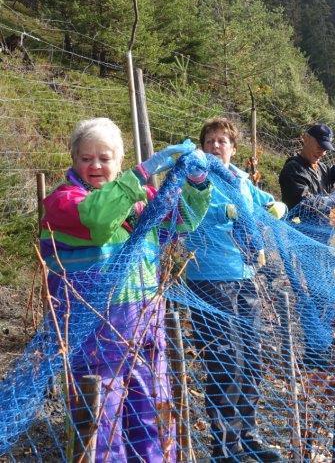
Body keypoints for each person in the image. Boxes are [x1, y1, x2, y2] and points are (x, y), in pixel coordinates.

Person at [39, 117, 210, 462]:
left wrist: (198, 183)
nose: (96, 166)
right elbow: (100, 221)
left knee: (151, 412)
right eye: (86, 158)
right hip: (94, 333)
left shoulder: (140, 202)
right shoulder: (64, 202)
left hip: (145, 324)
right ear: (73, 159)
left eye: (105, 158)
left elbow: (182, 220)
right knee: (103, 421)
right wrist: (142, 173)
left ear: (119, 161)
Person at [183, 117, 285, 462]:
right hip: (209, 278)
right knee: (224, 358)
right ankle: (224, 446)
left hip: (245, 275)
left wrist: (274, 206)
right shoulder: (196, 176)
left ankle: (247, 434)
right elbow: (190, 210)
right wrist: (225, 211)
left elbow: (264, 201)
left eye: (222, 141)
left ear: (233, 148)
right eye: (209, 140)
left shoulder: (240, 178)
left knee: (251, 356)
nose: (215, 146)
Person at [278, 123, 335, 371]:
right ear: (305, 139)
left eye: (326, 148)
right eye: (319, 146)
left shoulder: (317, 167)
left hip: (324, 241)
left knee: (327, 294)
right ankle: (314, 353)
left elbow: (326, 177)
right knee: (315, 296)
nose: (322, 152)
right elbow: (307, 203)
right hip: (305, 241)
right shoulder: (293, 170)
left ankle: (322, 346)